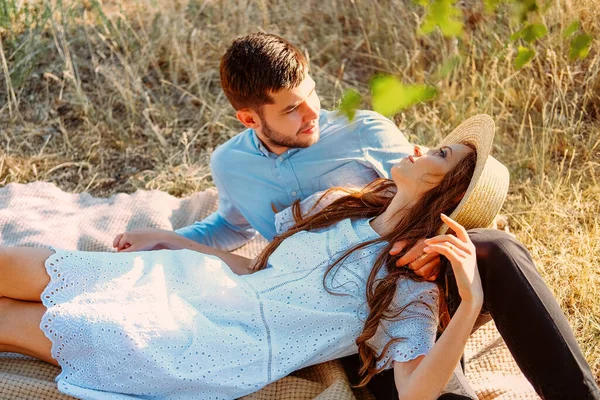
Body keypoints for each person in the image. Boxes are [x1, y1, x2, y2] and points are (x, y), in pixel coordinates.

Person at [113, 33, 600, 399]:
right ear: (250, 119)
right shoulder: (231, 165)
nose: (312, 115)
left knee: (496, 246)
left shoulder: (363, 130)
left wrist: (427, 245)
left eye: (313, 96)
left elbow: (444, 192)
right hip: (336, 302)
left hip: (411, 266)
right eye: (292, 111)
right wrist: (168, 238)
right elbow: (229, 227)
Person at [2, 116, 509, 399]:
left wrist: (467, 305)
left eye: (440, 155)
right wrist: (176, 241)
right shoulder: (338, 206)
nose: (421, 145)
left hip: (207, 344)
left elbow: (417, 394)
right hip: (192, 284)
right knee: (13, 264)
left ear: (446, 195)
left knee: (12, 319)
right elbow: (256, 268)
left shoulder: (406, 288)